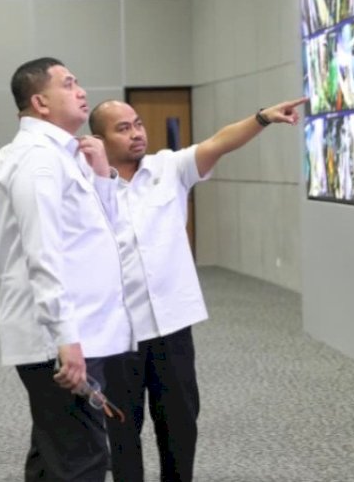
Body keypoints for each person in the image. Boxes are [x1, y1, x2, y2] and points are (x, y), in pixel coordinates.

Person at [88, 97, 306, 482]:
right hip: (119, 334)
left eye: (138, 123)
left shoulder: (167, 168)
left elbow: (219, 142)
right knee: (122, 432)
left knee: (180, 426)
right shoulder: (87, 188)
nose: (137, 133)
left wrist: (261, 118)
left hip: (172, 326)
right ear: (99, 139)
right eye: (123, 128)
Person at [0, 57, 134, 481]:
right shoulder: (38, 159)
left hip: (79, 331)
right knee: (82, 461)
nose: (81, 90)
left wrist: (103, 177)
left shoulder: (66, 155)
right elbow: (43, 251)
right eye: (68, 84)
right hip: (63, 339)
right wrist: (65, 338)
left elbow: (100, 234)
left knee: (54, 457)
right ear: (40, 102)